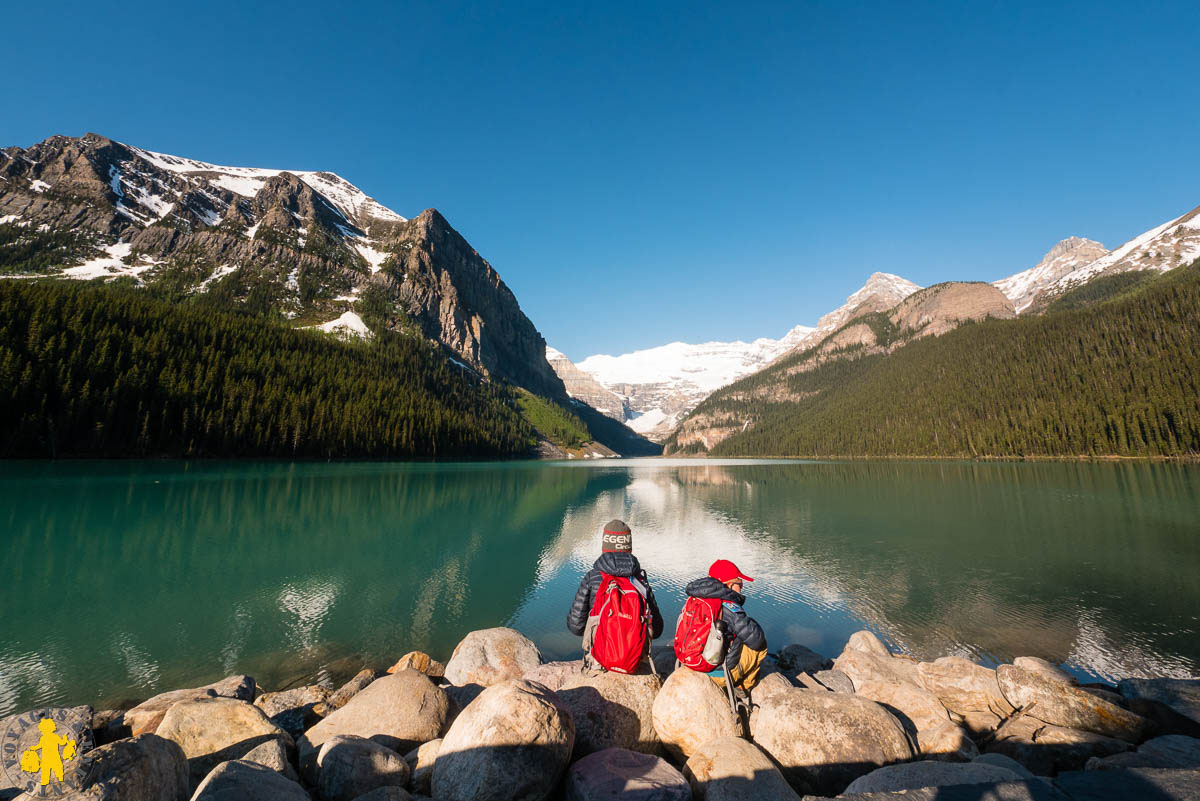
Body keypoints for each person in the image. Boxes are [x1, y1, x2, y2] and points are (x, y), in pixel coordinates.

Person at [567, 519, 665, 671]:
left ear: (605, 546)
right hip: (635, 662)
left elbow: (576, 627)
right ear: (629, 547)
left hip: (600, 659)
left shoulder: (593, 577)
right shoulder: (639, 580)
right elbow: (657, 630)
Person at [683, 559, 767, 694]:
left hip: (691, 662)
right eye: (739, 583)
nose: (742, 587)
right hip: (716, 674)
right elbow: (756, 640)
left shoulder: (695, 598)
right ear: (729, 585)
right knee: (761, 647)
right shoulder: (728, 606)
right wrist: (751, 622)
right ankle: (742, 687)